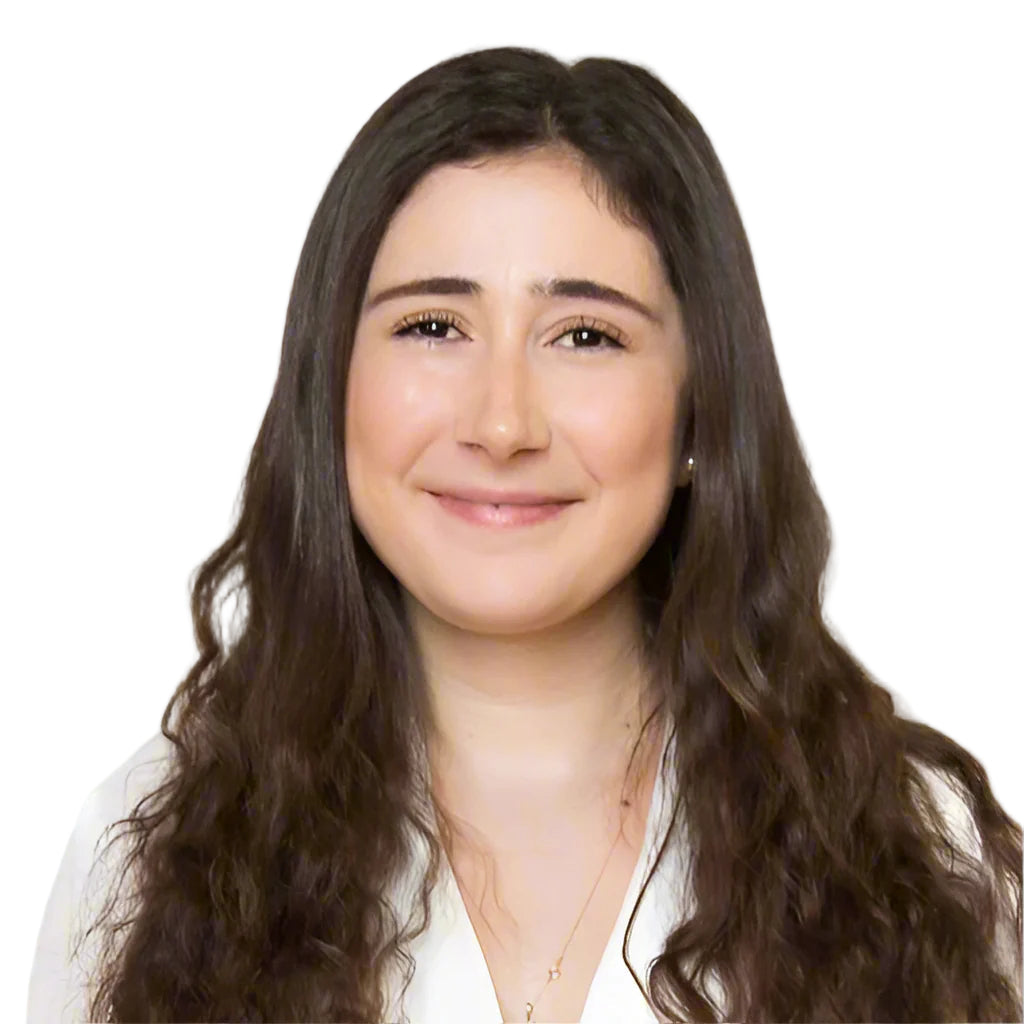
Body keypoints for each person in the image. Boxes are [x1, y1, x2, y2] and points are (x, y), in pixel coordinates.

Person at [28, 45, 1022, 1024]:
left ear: (700, 412)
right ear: (330, 386)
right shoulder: (147, 858)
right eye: (431, 327)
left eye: (586, 337)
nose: (501, 425)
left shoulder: (920, 853)